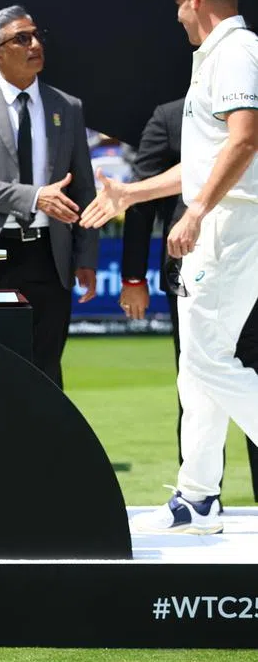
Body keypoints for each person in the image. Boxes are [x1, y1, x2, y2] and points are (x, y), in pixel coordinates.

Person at [81, 0, 258, 534]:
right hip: (222, 226)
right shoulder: (213, 59)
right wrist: (131, 192)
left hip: (232, 227)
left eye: (179, 4)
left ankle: (198, 496)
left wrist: (201, 209)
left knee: (206, 359)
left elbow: (246, 138)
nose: (177, 15)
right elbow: (203, 161)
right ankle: (199, 498)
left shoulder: (236, 51)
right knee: (196, 364)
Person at [0, 5, 98, 388]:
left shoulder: (68, 107)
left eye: (36, 36)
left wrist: (85, 256)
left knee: (46, 371)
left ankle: (45, 450)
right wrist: (36, 198)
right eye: (22, 38)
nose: (35, 44)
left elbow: (83, 187)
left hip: (50, 258)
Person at [121, 98, 258, 498]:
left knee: (204, 369)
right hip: (198, 263)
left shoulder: (239, 66)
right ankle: (200, 496)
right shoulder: (169, 116)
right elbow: (145, 204)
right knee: (195, 379)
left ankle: (198, 497)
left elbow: (241, 146)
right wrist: (133, 275)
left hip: (238, 254)